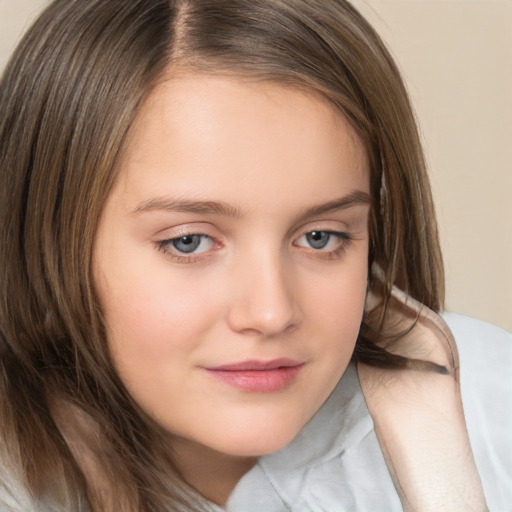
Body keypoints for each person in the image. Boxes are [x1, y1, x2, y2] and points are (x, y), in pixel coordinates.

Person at [0, 0, 510, 511]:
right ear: (46, 238)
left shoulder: (492, 404)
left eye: (320, 237)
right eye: (189, 242)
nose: (271, 312)